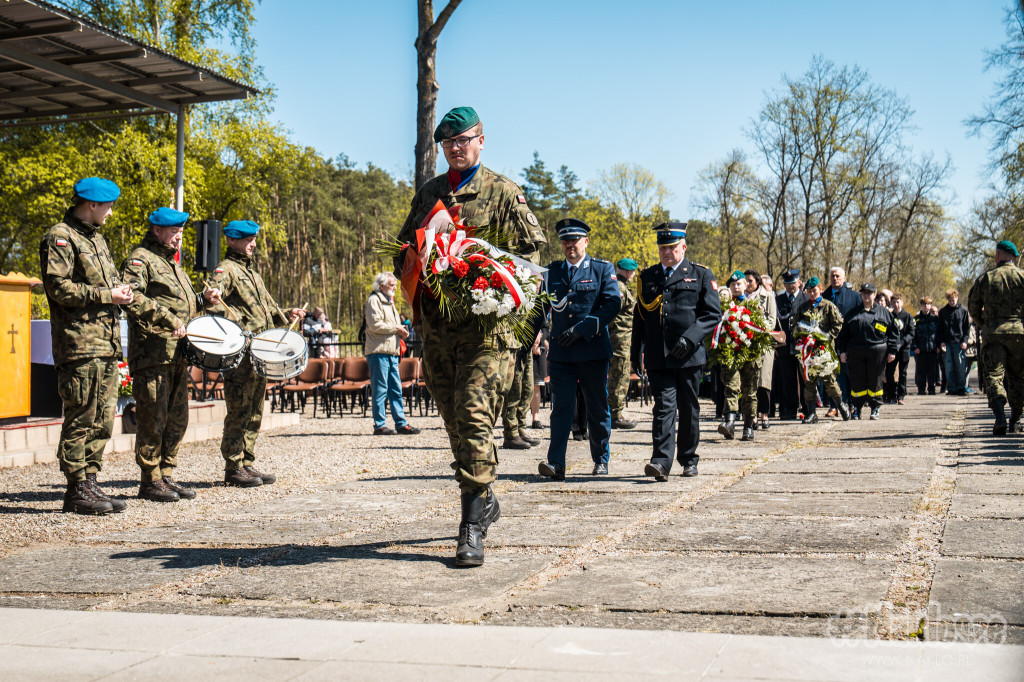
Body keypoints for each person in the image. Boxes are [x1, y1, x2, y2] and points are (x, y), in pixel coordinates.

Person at [394, 106, 546, 567]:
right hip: (438, 329)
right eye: (448, 143)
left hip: (487, 331)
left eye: (464, 140)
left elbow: (531, 262)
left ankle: (471, 523)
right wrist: (418, 256)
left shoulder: (503, 193)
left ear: (482, 140)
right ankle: (484, 495)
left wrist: (516, 312)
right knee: (454, 419)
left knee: (473, 412)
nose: (456, 148)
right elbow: (404, 249)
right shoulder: (430, 193)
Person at [40, 177, 133, 515]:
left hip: (104, 343)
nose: (110, 212)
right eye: (107, 206)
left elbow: (103, 284)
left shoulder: (96, 239)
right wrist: (107, 295)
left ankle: (90, 481)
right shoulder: (60, 237)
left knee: (102, 416)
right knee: (82, 414)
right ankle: (76, 487)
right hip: (79, 344)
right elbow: (58, 288)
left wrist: (119, 292)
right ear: (91, 205)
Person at [121, 207, 220, 503]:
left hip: (178, 354)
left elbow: (182, 305)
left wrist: (202, 300)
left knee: (177, 418)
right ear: (157, 231)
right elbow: (132, 296)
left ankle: (166, 473)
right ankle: (149, 479)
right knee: (153, 415)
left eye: (181, 232)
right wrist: (167, 319)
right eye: (174, 232)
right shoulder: (140, 259)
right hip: (153, 353)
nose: (179, 238)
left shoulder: (173, 264)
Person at [207, 220, 305, 487]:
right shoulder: (225, 270)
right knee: (239, 409)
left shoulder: (253, 274)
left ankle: (247, 461)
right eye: (247, 240)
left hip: (260, 352)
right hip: (241, 354)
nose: (253, 245)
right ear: (231, 241)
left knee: (254, 410)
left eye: (253, 240)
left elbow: (267, 311)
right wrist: (239, 328)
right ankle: (233, 466)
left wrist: (288, 315)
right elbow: (213, 306)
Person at [632, 222, 719, 480]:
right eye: (663, 248)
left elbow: (712, 314)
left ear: (683, 246)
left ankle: (689, 458)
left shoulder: (700, 274)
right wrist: (636, 352)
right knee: (663, 408)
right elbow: (641, 319)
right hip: (660, 355)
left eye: (672, 247)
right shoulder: (648, 277)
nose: (667, 252)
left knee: (689, 408)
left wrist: (691, 338)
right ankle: (660, 461)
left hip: (689, 357)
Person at [537, 219, 621, 479]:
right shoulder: (551, 273)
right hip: (562, 353)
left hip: (592, 351)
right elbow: (540, 309)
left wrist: (583, 329)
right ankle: (556, 463)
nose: (570, 245)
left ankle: (601, 459)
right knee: (561, 408)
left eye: (574, 240)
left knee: (597, 407)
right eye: (565, 241)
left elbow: (612, 304)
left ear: (585, 241)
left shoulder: (602, 269)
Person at [967, 240, 1024, 435]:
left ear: (998, 255)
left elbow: (973, 307)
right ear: (1014, 256)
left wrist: (986, 325)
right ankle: (1016, 420)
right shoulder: (1022, 277)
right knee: (1018, 378)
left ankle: (999, 417)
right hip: (1019, 335)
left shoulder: (986, 278)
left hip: (994, 334)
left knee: (994, 377)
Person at [364, 273, 421, 436]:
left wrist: (402, 330)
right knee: (380, 388)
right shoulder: (374, 300)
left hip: (391, 351)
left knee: (395, 388)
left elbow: (390, 325)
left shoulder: (390, 302)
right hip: (378, 351)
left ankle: (401, 423)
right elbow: (375, 325)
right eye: (392, 285)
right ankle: (380, 425)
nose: (395, 288)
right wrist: (397, 329)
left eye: (395, 285)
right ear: (381, 286)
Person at [837, 283, 898, 420]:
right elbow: (843, 336)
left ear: (874, 294)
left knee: (875, 380)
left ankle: (875, 407)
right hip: (856, 352)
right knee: (857, 381)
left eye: (869, 293)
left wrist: (892, 350)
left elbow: (894, 333)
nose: (866, 295)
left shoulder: (884, 313)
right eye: (864, 293)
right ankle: (857, 409)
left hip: (877, 352)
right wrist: (842, 351)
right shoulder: (852, 313)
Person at [793, 277, 850, 423]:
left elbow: (838, 324)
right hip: (808, 352)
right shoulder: (803, 308)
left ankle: (841, 405)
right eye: (809, 291)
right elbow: (795, 326)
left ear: (820, 289)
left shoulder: (828, 306)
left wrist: (827, 337)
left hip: (824, 351)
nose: (812, 294)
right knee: (809, 382)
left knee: (829, 381)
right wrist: (800, 339)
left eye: (814, 291)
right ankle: (812, 413)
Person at [717, 271, 766, 442]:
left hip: (750, 356)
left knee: (749, 392)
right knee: (731, 387)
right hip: (730, 354)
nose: (736, 287)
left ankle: (748, 426)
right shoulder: (724, 307)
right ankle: (729, 423)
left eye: (739, 284)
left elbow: (762, 332)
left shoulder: (754, 306)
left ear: (746, 286)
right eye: (733, 285)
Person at [607, 257, 639, 430]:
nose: (633, 275)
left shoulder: (620, 286)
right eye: (633, 272)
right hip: (619, 339)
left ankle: (615, 412)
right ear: (628, 271)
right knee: (619, 375)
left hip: (622, 339)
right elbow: (611, 314)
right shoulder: (619, 288)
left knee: (620, 374)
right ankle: (615, 414)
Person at [823, 267, 860, 412]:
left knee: (849, 374)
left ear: (844, 278)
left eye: (838, 276)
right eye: (832, 276)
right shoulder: (824, 295)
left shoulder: (854, 296)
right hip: (829, 340)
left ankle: (851, 403)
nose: (835, 279)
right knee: (832, 375)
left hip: (849, 340)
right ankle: (835, 405)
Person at [746, 269, 778, 430]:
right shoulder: (742, 298)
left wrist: (756, 327)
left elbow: (772, 320)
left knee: (763, 382)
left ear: (757, 282)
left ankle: (764, 414)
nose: (747, 284)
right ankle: (751, 416)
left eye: (750, 281)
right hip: (745, 343)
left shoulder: (768, 297)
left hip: (763, 344)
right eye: (746, 281)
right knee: (749, 382)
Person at [773, 269, 807, 420]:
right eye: (787, 283)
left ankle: (807, 409)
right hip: (784, 347)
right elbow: (774, 323)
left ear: (799, 282)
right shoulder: (778, 300)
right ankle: (788, 409)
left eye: (793, 283)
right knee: (787, 381)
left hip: (803, 346)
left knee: (805, 380)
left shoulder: (806, 299)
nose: (791, 286)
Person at [938, 289, 971, 396]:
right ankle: (952, 387)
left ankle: (961, 387)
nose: (951, 302)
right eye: (950, 300)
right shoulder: (943, 312)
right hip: (947, 342)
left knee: (960, 366)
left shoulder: (963, 311)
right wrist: (941, 341)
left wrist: (965, 341)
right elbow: (940, 329)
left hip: (959, 342)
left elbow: (966, 328)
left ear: (957, 298)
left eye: (953, 300)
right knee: (949, 366)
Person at [883, 293, 915, 405]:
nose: (896, 304)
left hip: (904, 348)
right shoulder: (889, 316)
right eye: (894, 302)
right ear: (890, 303)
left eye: (898, 302)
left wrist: (902, 342)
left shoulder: (907, 316)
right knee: (890, 372)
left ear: (902, 303)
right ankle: (892, 395)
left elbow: (911, 332)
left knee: (903, 373)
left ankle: (901, 395)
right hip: (892, 349)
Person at [913, 298, 940, 394]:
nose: (926, 306)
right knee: (920, 371)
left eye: (928, 304)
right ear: (921, 306)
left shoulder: (935, 319)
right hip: (920, 350)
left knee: (932, 371)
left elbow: (939, 334)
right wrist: (915, 347)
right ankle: (921, 389)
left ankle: (932, 389)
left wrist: (938, 346)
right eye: (924, 304)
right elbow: (913, 335)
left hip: (932, 349)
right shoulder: (916, 319)